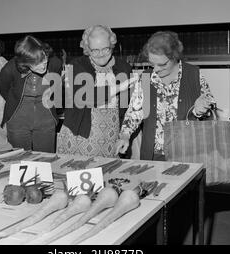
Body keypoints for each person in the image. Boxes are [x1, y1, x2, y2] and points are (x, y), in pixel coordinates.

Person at [116, 31, 216, 160]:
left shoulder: (194, 75)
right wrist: (125, 136)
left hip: (188, 152)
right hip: (154, 154)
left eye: (162, 64)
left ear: (174, 56)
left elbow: (210, 109)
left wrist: (201, 109)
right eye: (152, 64)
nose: (156, 69)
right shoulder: (146, 78)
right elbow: (134, 113)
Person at [56, 24, 134, 158]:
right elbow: (84, 96)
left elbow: (128, 105)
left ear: (112, 44)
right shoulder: (76, 65)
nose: (101, 54)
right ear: (87, 49)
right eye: (95, 50)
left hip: (111, 135)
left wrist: (125, 134)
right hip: (81, 136)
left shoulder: (124, 66)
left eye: (105, 49)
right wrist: (118, 88)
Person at [0, 35, 62, 152]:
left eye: (44, 58)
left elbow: (56, 87)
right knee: (20, 159)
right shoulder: (9, 69)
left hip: (46, 117)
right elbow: (5, 91)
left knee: (45, 159)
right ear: (25, 63)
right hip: (18, 118)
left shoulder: (55, 63)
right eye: (37, 63)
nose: (43, 64)